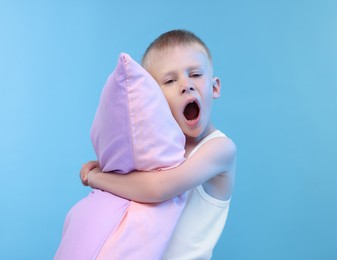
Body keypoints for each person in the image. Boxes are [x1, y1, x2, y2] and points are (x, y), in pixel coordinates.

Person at [80, 29, 237, 259]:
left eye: (195, 74)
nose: (186, 85)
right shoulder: (157, 149)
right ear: (153, 99)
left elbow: (158, 188)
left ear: (214, 87)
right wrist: (106, 167)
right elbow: (134, 180)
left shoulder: (221, 149)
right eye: (170, 80)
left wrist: (95, 178)